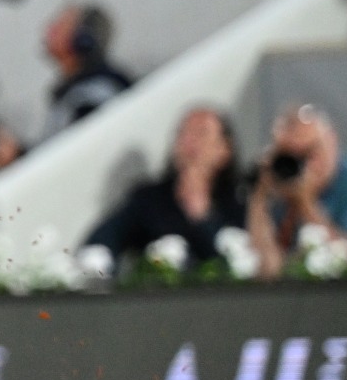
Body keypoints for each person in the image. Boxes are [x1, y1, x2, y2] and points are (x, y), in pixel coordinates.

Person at [248, 104, 347, 271]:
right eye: (289, 156)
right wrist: (259, 199)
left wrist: (306, 205)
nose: (300, 166)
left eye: (308, 153)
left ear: (332, 141)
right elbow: (266, 271)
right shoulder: (279, 189)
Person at [86, 106, 242, 271]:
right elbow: (104, 238)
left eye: (201, 133)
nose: (190, 142)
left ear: (225, 149)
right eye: (183, 133)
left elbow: (240, 261)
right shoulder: (151, 199)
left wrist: (203, 218)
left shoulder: (239, 199)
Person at [39, 4, 131, 137]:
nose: (50, 29)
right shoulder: (71, 95)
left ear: (82, 40)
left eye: (61, 25)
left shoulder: (94, 97)